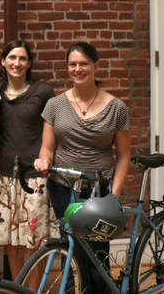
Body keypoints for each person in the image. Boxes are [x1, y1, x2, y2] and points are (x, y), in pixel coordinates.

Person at [34, 42, 131, 292]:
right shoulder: (55, 105)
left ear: (96, 66)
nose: (78, 69)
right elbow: (47, 148)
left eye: (84, 64)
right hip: (63, 187)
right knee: (71, 250)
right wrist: (43, 160)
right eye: (72, 64)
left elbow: (123, 157)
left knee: (97, 255)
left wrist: (113, 197)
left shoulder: (117, 108)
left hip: (100, 191)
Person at [0, 40, 55, 286]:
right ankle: (18, 290)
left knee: (34, 241)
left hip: (36, 178)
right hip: (6, 176)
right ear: (3, 62)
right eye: (12, 58)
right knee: (11, 242)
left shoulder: (43, 92)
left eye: (22, 58)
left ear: (29, 63)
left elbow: (52, 134)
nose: (17, 63)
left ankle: (34, 291)